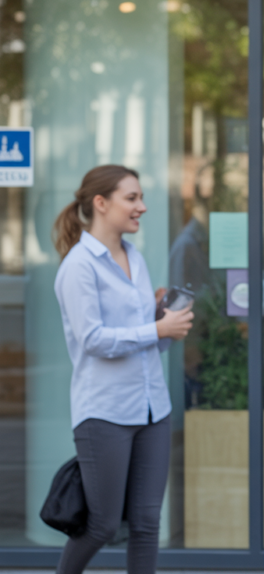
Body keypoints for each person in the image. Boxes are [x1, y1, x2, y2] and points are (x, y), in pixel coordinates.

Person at [52, 165, 193, 574]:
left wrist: (167, 323)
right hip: (105, 412)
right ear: (101, 203)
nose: (142, 207)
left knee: (148, 524)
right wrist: (155, 327)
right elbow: (93, 339)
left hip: (153, 408)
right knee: (102, 524)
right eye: (131, 198)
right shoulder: (78, 266)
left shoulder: (134, 256)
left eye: (140, 197)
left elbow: (148, 342)